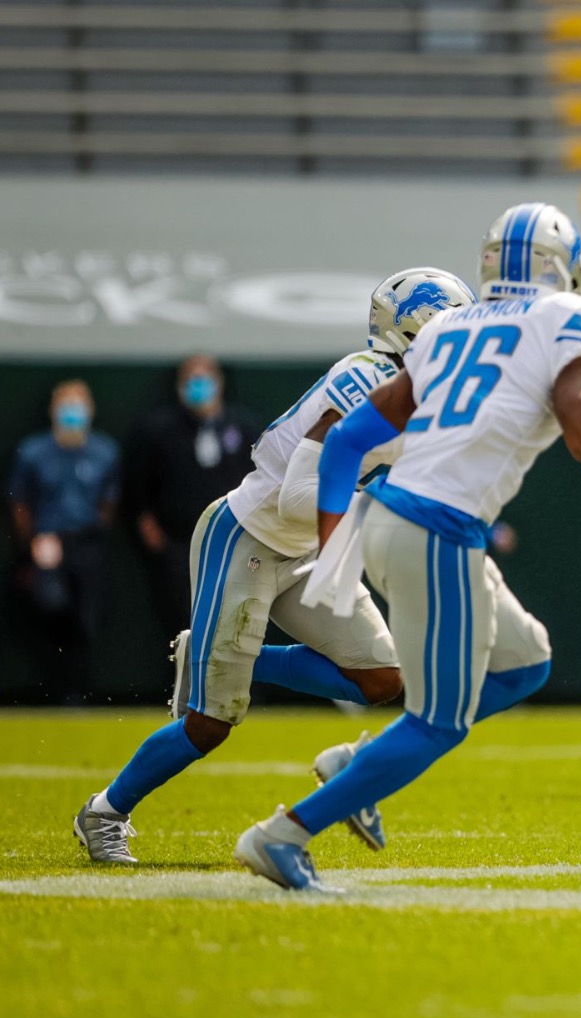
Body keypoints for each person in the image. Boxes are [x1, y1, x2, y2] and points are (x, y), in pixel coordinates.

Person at [233, 202, 581, 890]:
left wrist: (336, 544)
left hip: (402, 521)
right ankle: (284, 835)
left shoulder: (449, 324)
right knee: (439, 722)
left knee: (524, 664)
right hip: (435, 528)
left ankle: (356, 762)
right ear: (562, 269)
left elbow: (351, 441)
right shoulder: (569, 319)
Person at [71, 268, 474, 865]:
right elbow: (296, 495)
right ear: (413, 332)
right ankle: (103, 812)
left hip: (309, 548)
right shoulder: (364, 380)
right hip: (249, 537)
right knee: (212, 722)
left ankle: (237, 659)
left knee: (383, 680)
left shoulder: (420, 395)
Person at [125, 354, 262, 639]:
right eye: (191, 379)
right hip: (179, 542)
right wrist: (148, 524)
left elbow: (261, 479)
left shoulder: (243, 425)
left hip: (233, 540)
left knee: (234, 618)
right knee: (184, 620)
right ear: (179, 385)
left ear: (220, 382)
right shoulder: (157, 430)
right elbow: (138, 484)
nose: (199, 386)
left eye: (206, 377)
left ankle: (232, 682)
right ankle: (187, 681)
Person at [8, 380, 120, 703]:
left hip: (86, 544)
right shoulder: (33, 452)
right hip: (45, 545)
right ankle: (51, 690)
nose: (72, 412)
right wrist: (31, 543)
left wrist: (92, 533)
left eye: (78, 404)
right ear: (53, 410)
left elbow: (109, 502)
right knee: (51, 609)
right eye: (65, 405)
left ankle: (78, 691)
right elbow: (19, 501)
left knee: (87, 618)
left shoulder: (104, 451)